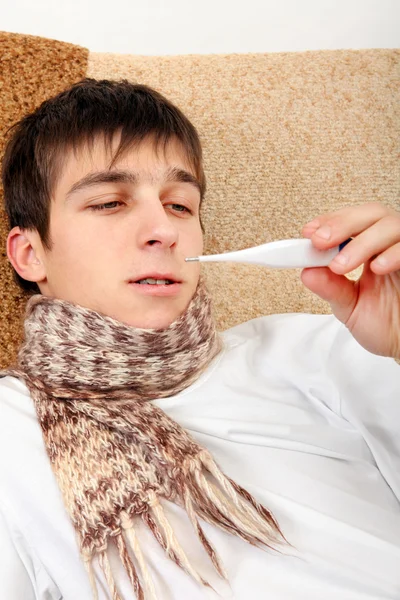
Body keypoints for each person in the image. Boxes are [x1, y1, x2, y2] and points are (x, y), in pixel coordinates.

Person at [0, 78, 399, 600]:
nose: (162, 229)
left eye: (180, 205)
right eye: (109, 203)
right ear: (30, 254)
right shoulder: (12, 433)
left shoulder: (330, 349)